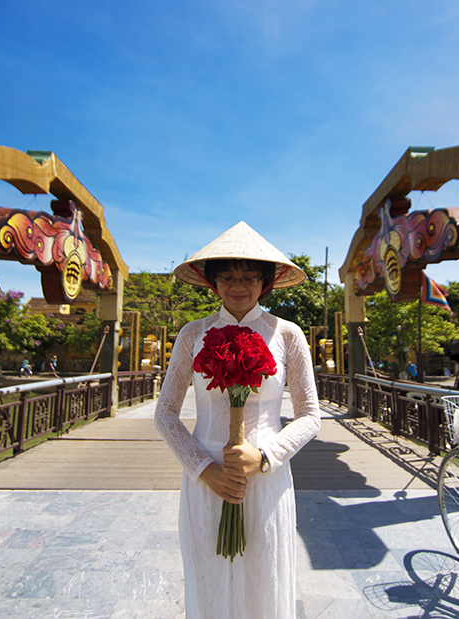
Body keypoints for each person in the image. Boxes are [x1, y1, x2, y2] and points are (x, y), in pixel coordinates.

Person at [154, 221, 321, 619]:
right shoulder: (193, 334)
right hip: (206, 479)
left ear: (265, 282)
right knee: (208, 580)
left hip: (266, 478)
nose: (238, 285)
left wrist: (264, 456)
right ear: (212, 284)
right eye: (226, 276)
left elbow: (310, 415)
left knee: (265, 582)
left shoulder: (287, 335)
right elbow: (165, 412)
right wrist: (204, 469)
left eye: (249, 276)